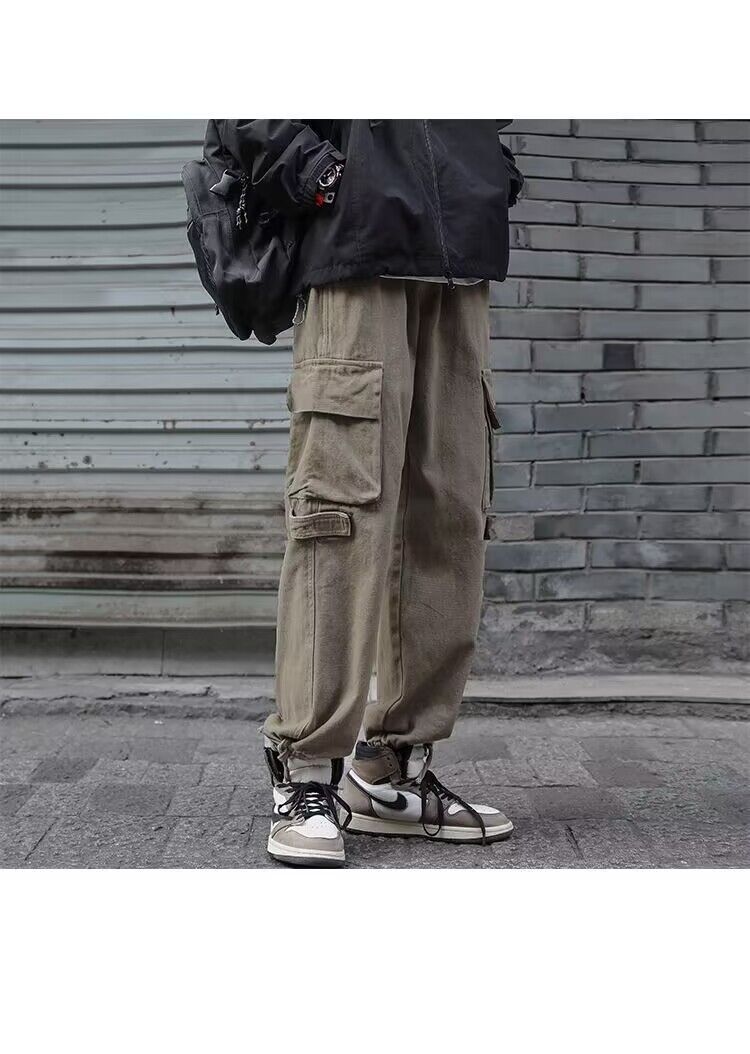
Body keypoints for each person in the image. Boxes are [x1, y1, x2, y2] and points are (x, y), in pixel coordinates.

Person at [221, 119, 524, 866]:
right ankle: (306, 771)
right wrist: (325, 176)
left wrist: (489, 171)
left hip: (460, 253)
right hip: (357, 251)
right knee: (341, 515)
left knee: (450, 516)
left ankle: (391, 769)